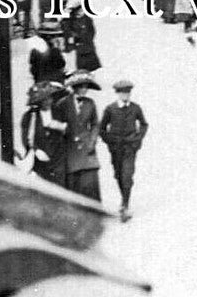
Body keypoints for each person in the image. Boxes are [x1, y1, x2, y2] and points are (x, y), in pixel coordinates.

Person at [99, 78, 149, 222]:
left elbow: (144, 124)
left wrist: (137, 139)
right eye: (122, 93)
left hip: (130, 148)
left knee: (127, 175)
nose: (125, 96)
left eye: (127, 93)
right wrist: (109, 141)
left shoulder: (135, 108)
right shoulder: (110, 109)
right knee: (118, 175)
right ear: (117, 94)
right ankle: (124, 199)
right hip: (115, 149)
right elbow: (102, 129)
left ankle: (125, 205)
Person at [53, 70, 102, 202]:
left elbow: (95, 124)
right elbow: (57, 127)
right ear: (74, 87)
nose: (84, 89)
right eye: (81, 86)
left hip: (88, 151)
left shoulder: (90, 103)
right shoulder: (62, 104)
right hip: (71, 150)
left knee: (91, 185)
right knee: (75, 188)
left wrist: (92, 141)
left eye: (86, 86)